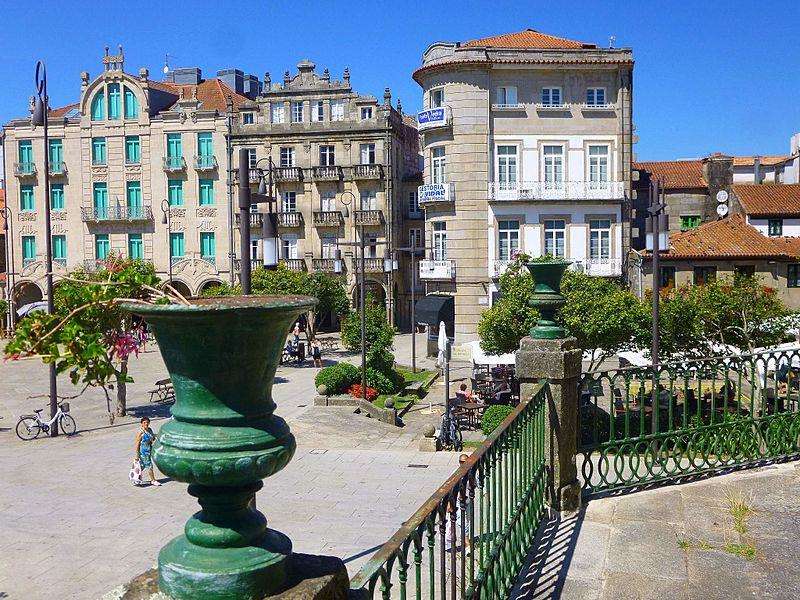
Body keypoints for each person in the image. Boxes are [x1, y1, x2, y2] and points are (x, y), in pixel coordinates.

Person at [134, 417, 161, 487]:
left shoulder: (149, 430)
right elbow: (137, 444)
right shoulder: (140, 432)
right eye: (144, 422)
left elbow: (152, 437)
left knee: (142, 466)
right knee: (149, 466)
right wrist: (137, 455)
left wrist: (158, 436)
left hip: (149, 450)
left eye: (147, 422)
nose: (146, 424)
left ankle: (135, 478)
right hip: (143, 452)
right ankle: (153, 480)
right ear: (141, 424)